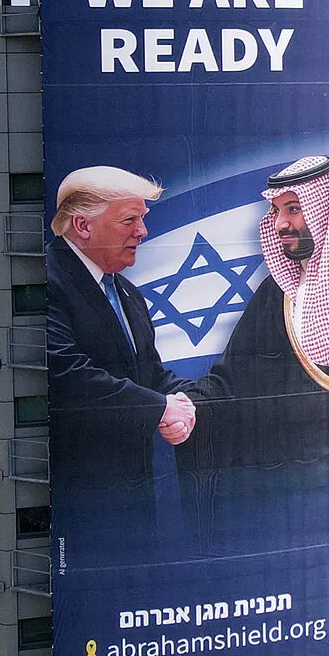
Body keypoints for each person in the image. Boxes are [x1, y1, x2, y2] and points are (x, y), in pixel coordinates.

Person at [182, 155, 329, 551]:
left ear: (325, 208)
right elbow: (228, 381)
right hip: (277, 493)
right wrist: (186, 405)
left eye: (293, 208)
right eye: (276, 211)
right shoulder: (276, 296)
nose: (280, 224)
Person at [46, 165, 196, 556]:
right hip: (76, 504)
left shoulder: (128, 293)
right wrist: (160, 408)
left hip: (133, 501)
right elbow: (66, 373)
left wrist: (187, 404)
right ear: (82, 226)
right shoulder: (45, 282)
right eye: (129, 220)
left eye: (142, 220)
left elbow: (151, 373)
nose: (143, 232)